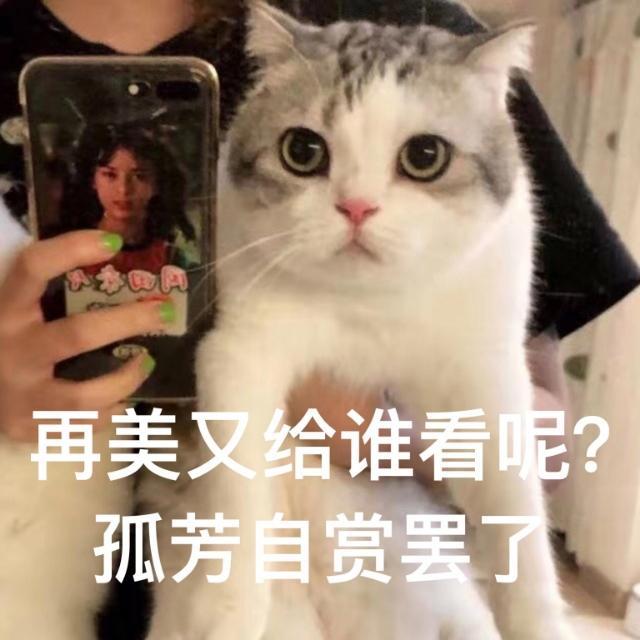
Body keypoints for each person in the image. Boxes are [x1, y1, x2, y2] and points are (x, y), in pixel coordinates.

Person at [0, 1, 638, 638]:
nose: (359, 205)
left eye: (421, 158)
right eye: (306, 151)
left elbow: (547, 444)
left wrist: (371, 427)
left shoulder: (425, 31)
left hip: (368, 587)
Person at [60, 124, 196, 275]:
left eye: (139, 176)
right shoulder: (72, 253)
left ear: (157, 183)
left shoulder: (171, 259)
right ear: (93, 180)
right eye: (110, 175)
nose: (124, 189)